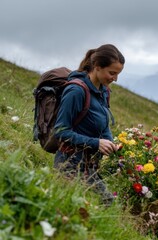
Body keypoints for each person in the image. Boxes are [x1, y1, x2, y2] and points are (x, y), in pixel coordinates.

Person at [54, 44, 125, 206]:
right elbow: (60, 131)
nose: (115, 79)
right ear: (97, 67)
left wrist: (110, 142)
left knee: (106, 202)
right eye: (112, 73)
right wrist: (96, 143)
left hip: (89, 165)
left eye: (118, 74)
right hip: (69, 164)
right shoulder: (76, 91)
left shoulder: (104, 91)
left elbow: (103, 124)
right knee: (100, 203)